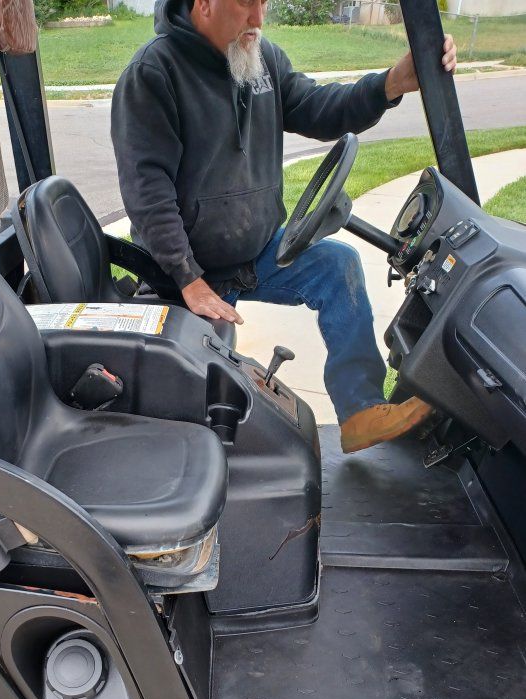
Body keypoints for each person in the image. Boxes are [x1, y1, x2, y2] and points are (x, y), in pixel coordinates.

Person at [110, 0, 457, 452]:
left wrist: (390, 83)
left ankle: (360, 410)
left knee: (338, 266)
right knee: (202, 384)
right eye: (245, 4)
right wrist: (187, 278)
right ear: (204, 5)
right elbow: (147, 192)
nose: (259, 19)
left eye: (263, 2)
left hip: (255, 252)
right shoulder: (153, 75)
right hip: (186, 274)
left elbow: (318, 107)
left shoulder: (260, 58)